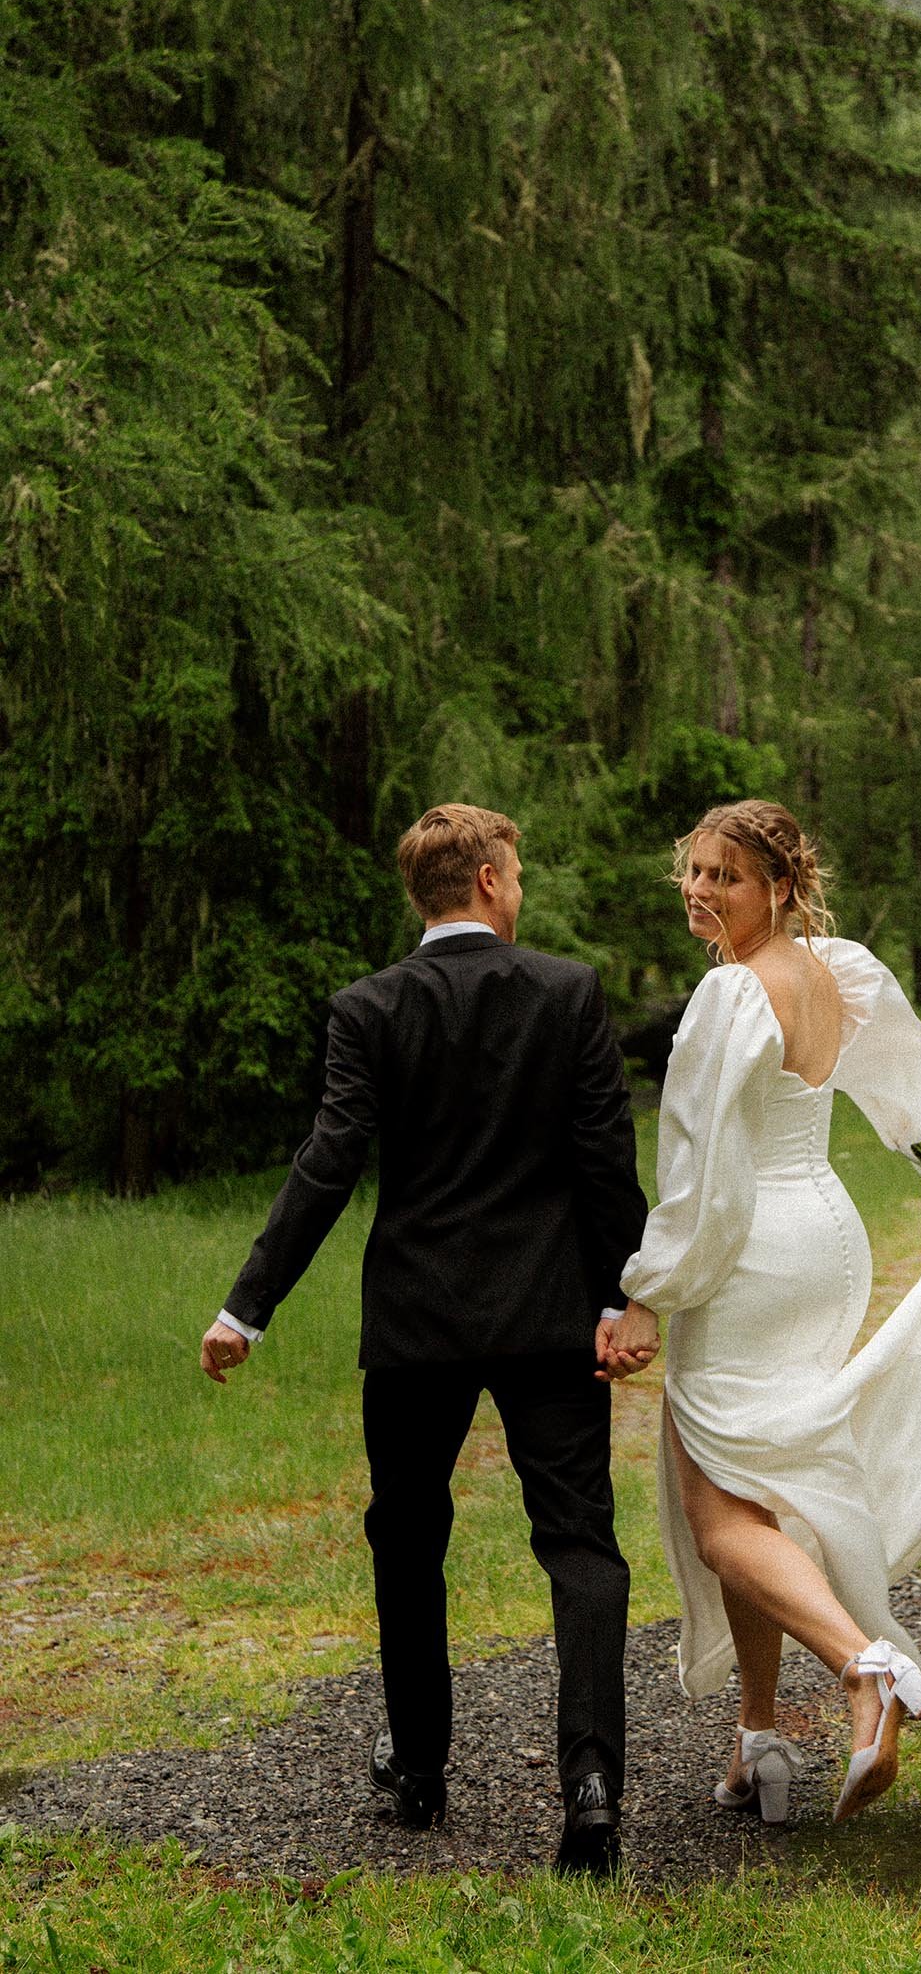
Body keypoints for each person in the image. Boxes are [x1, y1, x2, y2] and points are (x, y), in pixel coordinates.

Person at [199, 804, 653, 1877]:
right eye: (521, 871)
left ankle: (417, 1770)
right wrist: (614, 1299)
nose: (522, 887)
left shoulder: (368, 1008)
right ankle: (590, 1784)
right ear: (491, 881)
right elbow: (603, 1161)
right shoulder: (567, 992)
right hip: (548, 1317)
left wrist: (244, 1307)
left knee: (408, 1539)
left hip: (416, 1322)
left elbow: (328, 1160)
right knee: (579, 1544)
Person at [601, 800, 921, 1825]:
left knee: (719, 1517)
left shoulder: (730, 995)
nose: (698, 891)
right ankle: (757, 1741)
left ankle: (865, 1667)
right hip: (825, 1239)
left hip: (751, 1250)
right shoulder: (835, 970)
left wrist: (644, 1296)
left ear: (776, 886)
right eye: (692, 872)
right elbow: (910, 1105)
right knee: (758, 1485)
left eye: (723, 876)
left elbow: (700, 1175)